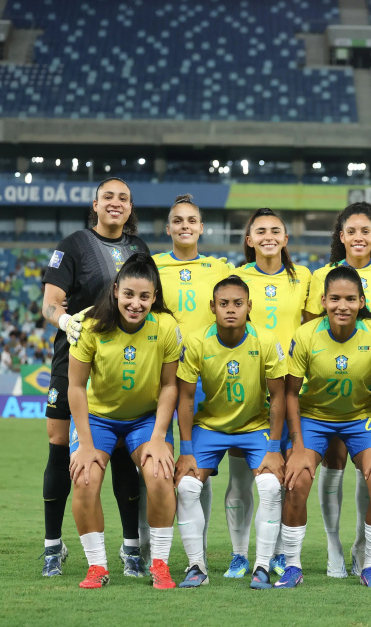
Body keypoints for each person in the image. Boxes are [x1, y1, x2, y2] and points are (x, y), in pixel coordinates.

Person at [40, 177, 151, 577]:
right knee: (59, 448)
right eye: (109, 197)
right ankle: (53, 546)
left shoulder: (139, 249)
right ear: (96, 204)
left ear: (130, 206)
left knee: (121, 449)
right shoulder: (72, 246)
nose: (116, 203)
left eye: (123, 197)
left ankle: (130, 549)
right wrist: (66, 320)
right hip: (73, 357)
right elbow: (50, 305)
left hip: (124, 362)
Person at [275, 266, 371, 589]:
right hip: (314, 417)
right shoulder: (306, 335)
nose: (342, 306)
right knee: (296, 482)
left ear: (361, 301)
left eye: (350, 299)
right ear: (324, 301)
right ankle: (292, 565)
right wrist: (297, 446)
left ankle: (370, 565)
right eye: (335, 299)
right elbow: (289, 393)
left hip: (360, 418)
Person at [67, 254, 181, 589]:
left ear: (154, 297)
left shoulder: (166, 328)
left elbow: (170, 386)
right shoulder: (90, 326)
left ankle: (159, 563)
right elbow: (74, 387)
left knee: (160, 475)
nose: (135, 303)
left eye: (144, 296)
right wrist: (86, 444)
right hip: (98, 419)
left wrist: (159, 436)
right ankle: (97, 566)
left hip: (144, 419)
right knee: (85, 479)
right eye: (129, 294)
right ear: (116, 291)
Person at [304, 202, 371, 578]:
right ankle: (333, 546)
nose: (359, 237)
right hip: (331, 387)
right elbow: (314, 327)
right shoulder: (321, 276)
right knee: (333, 463)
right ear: (341, 236)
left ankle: (364, 547)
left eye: (366, 230)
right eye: (352, 231)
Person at [174, 276, 287, 589]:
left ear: (249, 306)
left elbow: (278, 396)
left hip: (255, 427)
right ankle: (197, 566)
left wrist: (275, 447)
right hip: (210, 426)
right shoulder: (196, 342)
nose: (231, 310)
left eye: (238, 303)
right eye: (224, 304)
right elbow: (184, 398)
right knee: (185, 487)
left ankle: (262, 567)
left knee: (269, 486)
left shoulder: (265, 341)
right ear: (213, 307)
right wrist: (185, 450)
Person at [222, 208, 311, 579]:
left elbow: (312, 326)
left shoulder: (303, 277)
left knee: (284, 476)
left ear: (286, 239)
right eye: (260, 230)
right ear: (249, 240)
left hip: (291, 389)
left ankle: (276, 552)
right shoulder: (237, 277)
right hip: (246, 387)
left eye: (276, 230)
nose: (269, 235)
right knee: (241, 478)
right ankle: (239, 554)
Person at [154, 192, 232, 566]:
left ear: (201, 228)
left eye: (191, 221)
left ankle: (195, 553)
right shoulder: (152, 266)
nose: (185, 226)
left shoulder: (218, 268)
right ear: (168, 228)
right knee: (154, 465)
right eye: (178, 221)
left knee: (199, 467)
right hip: (160, 377)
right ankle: (149, 550)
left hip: (205, 380)